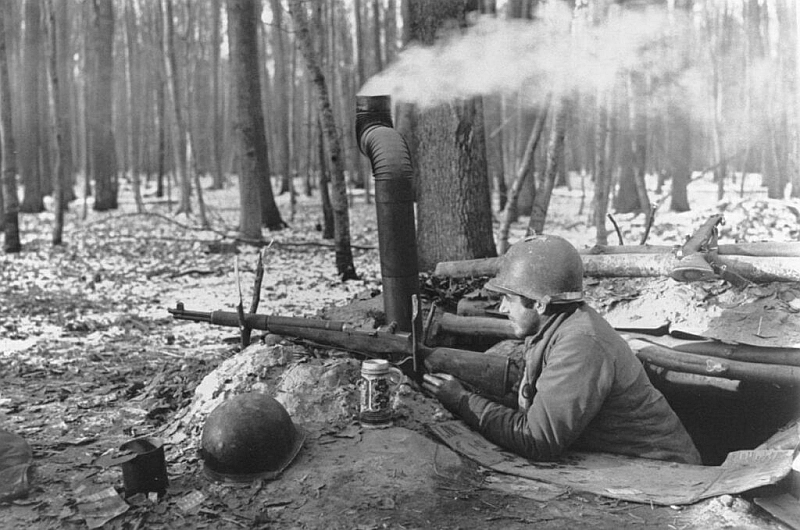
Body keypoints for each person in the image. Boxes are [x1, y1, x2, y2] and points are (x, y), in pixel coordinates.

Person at [423, 235, 702, 465]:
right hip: (623, 460)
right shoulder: (561, 325)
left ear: (541, 304)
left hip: (663, 470)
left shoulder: (581, 343)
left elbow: (537, 441)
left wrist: (462, 401)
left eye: (509, 299)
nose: (501, 308)